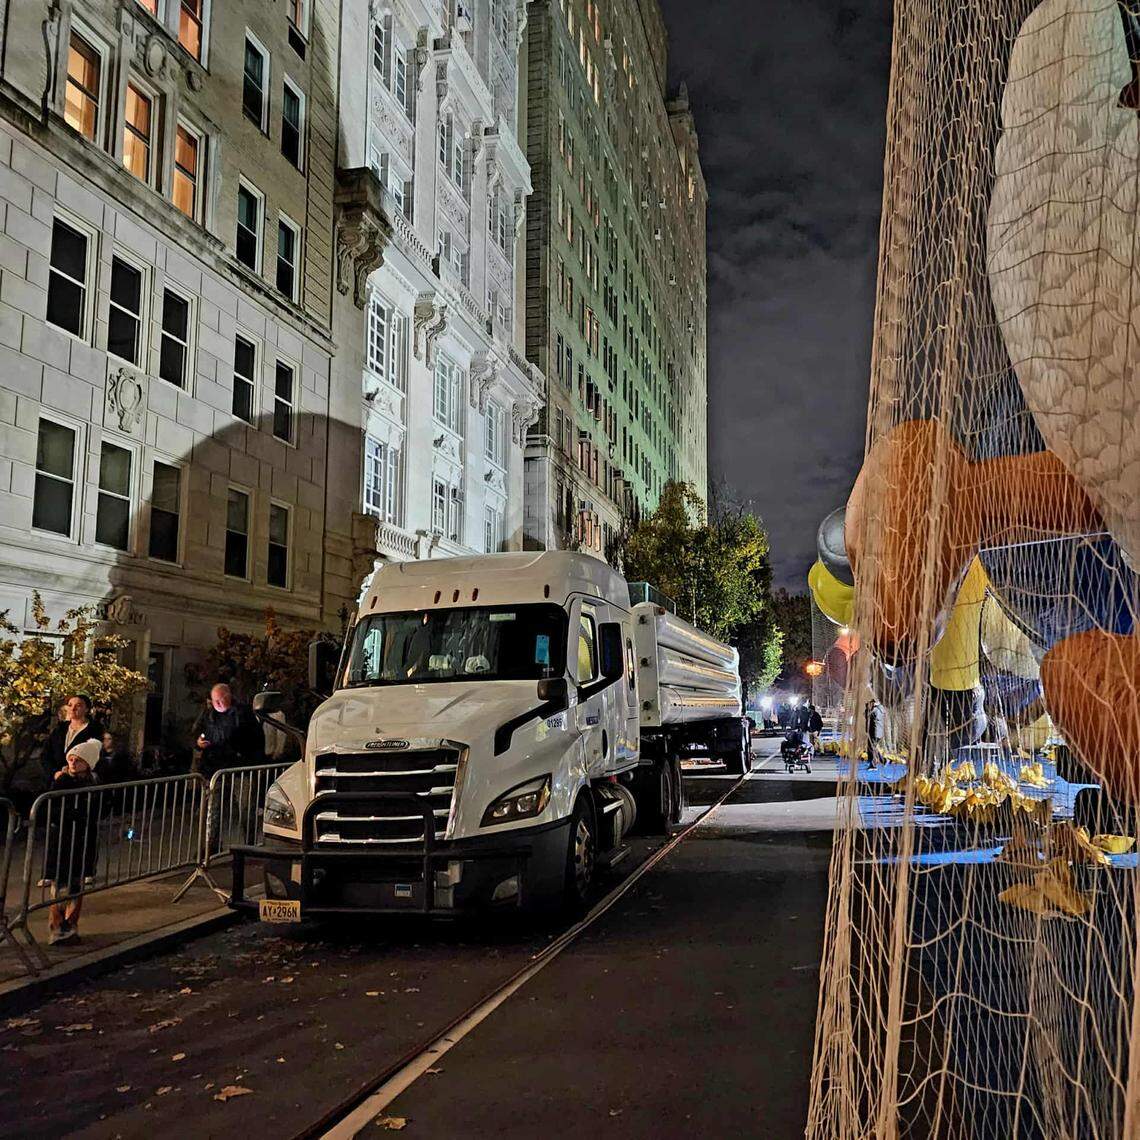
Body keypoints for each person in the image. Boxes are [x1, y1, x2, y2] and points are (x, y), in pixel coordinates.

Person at [44, 738, 102, 945]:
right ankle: (57, 926)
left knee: (76, 886)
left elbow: (101, 806)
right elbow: (52, 808)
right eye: (71, 758)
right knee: (60, 886)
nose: (73, 763)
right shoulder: (62, 781)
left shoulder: (93, 782)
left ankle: (71, 925)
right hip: (62, 840)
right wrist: (74, 814)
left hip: (83, 841)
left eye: (79, 760)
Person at [192, 684, 265, 777]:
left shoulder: (243, 714)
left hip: (239, 770)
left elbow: (256, 738)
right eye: (215, 701)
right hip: (213, 769)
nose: (217, 704)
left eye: (220, 700)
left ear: (228, 697)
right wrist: (199, 744)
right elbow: (201, 733)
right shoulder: (210, 715)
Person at [43, 694, 105, 789]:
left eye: (78, 705)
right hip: (55, 782)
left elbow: (95, 756)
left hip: (79, 784)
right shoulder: (60, 729)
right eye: (70, 705)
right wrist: (54, 773)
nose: (73, 708)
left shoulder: (95, 730)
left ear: (87, 709)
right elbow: (46, 754)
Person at [865, 698, 886, 770]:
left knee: (872, 748)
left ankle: (873, 765)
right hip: (879, 732)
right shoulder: (882, 709)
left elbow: (867, 716)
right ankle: (883, 760)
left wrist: (867, 708)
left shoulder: (875, 710)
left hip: (874, 732)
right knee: (874, 747)